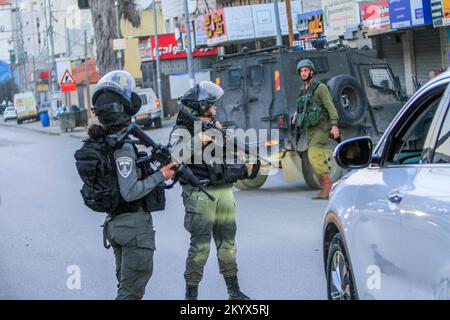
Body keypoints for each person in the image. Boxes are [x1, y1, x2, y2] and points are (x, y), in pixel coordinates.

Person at [89, 70, 177, 299]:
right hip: (133, 230)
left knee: (126, 290)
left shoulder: (105, 141)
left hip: (116, 226)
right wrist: (162, 175)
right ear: (123, 109)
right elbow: (129, 191)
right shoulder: (123, 147)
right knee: (130, 294)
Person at [170, 81, 255, 300]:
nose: (216, 108)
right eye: (212, 104)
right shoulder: (183, 128)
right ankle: (191, 296)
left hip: (223, 190)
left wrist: (244, 159)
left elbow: (225, 156)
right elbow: (174, 157)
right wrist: (199, 139)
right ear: (201, 107)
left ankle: (234, 291)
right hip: (199, 194)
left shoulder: (215, 125)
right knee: (200, 248)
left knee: (228, 244)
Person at [292, 59, 340, 200]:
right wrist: (296, 116)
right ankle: (325, 183)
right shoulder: (304, 89)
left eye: (306, 70)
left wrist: (335, 125)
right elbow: (303, 107)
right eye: (301, 71)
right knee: (312, 156)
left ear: (312, 71)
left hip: (322, 126)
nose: (303, 73)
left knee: (314, 152)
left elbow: (330, 106)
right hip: (310, 128)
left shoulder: (320, 88)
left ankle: (327, 185)